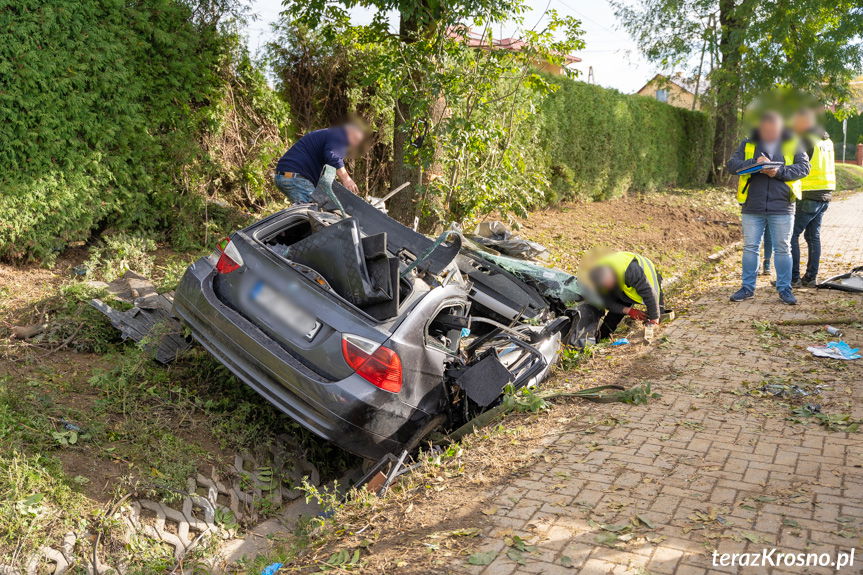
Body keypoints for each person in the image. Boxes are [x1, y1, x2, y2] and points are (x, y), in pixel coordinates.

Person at [726, 111, 810, 305]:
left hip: (782, 205)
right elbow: (732, 165)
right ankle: (747, 288)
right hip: (752, 205)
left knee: (783, 248)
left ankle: (784, 289)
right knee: (750, 248)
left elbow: (804, 168)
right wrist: (754, 163)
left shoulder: (792, 142)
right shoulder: (748, 143)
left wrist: (778, 171)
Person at [790, 108, 835, 287]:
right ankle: (810, 278)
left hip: (808, 193)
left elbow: (799, 166)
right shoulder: (827, 140)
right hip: (825, 195)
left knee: (791, 235)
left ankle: (792, 279)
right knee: (813, 236)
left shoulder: (805, 139)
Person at [273, 123, 365, 203]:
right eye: (355, 139)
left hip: (288, 176)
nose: (355, 144)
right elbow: (332, 156)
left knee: (315, 209)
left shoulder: (331, 135)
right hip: (296, 178)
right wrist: (346, 179)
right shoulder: (339, 135)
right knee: (312, 210)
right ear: (349, 132)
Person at [588, 251, 664, 340]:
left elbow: (649, 293)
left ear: (612, 276)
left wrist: (654, 320)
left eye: (609, 284)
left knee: (659, 314)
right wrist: (630, 311)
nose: (608, 287)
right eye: (605, 286)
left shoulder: (631, 271)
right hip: (620, 280)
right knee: (615, 308)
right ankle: (601, 337)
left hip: (646, 276)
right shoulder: (596, 279)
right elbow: (607, 302)